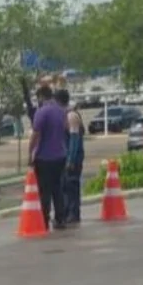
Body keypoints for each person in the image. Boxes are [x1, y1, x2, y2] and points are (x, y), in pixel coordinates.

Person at [28, 85, 68, 230]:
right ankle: (60, 218)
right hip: (60, 155)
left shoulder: (41, 112)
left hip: (45, 157)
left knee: (44, 190)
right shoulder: (61, 110)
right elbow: (65, 127)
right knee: (57, 188)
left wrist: (30, 152)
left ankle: (44, 220)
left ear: (41, 97)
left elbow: (35, 135)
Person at [56, 89, 85, 224]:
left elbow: (74, 140)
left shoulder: (71, 116)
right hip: (65, 156)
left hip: (73, 158)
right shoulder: (64, 115)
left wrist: (70, 159)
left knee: (71, 185)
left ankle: (73, 214)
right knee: (65, 186)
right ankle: (67, 212)